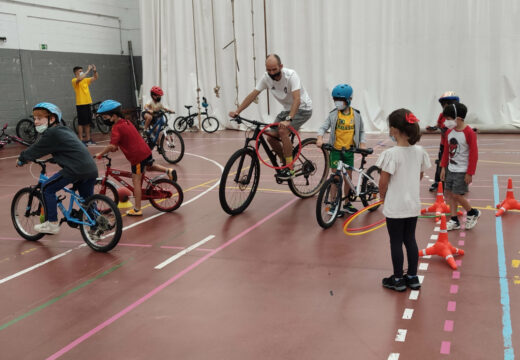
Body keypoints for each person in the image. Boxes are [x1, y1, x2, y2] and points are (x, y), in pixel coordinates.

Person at [16, 102, 98, 234]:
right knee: (86, 200)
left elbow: (36, 149)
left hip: (75, 169)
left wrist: (22, 159)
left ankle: (52, 223)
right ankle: (96, 227)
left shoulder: (52, 133)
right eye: (34, 119)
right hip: (90, 169)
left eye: (39, 118)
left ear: (52, 119)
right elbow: (69, 149)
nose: (35, 122)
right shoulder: (64, 130)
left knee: (47, 188)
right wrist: (55, 158)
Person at [229, 54, 312, 179]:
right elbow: (253, 95)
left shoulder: (291, 76)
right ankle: (284, 161)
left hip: (302, 109)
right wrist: (237, 111)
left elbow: (297, 99)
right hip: (286, 110)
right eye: (269, 70)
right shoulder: (266, 78)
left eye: (274, 69)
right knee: (270, 137)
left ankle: (290, 168)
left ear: (281, 66)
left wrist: (289, 119)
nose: (271, 73)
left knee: (283, 130)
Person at [376, 109, 431, 292]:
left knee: (395, 241)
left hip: (396, 206)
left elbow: (383, 182)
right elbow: (420, 175)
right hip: (412, 205)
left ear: (394, 130)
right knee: (410, 239)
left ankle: (398, 279)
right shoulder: (420, 152)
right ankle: (413, 277)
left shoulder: (391, 154)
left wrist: (382, 197)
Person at [95, 100, 177, 216]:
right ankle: (168, 170)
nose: (104, 119)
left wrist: (100, 153)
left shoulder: (116, 128)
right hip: (145, 151)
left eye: (105, 116)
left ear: (113, 115)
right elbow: (124, 140)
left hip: (137, 156)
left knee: (136, 181)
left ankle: (137, 209)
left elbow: (112, 146)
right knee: (149, 166)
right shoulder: (127, 122)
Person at [316, 84, 366, 215]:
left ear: (348, 99)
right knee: (336, 178)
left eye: (341, 100)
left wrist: (362, 143)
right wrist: (320, 138)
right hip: (336, 151)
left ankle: (347, 203)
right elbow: (322, 127)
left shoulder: (356, 115)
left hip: (349, 152)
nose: (337, 102)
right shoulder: (333, 115)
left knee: (348, 178)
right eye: (335, 99)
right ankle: (333, 204)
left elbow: (361, 131)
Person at [440, 102, 481, 230]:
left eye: (448, 119)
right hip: (451, 169)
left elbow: (474, 154)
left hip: (462, 170)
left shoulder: (469, 133)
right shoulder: (449, 133)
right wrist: (443, 167)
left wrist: (470, 173)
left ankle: (472, 212)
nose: (446, 122)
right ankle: (454, 220)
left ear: (458, 118)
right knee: (450, 194)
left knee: (457, 195)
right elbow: (446, 151)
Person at [426, 91, 460, 192]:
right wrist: (433, 128)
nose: (444, 106)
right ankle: (438, 182)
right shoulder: (442, 115)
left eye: (446, 103)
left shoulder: (457, 116)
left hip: (454, 144)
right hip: (443, 144)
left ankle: (458, 182)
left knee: (455, 163)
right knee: (440, 162)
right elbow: (438, 125)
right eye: (443, 104)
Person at [72, 65, 98, 146]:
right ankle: (80, 140)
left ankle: (88, 139)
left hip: (87, 103)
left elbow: (95, 77)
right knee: (81, 123)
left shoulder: (85, 80)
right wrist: (87, 70)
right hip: (80, 104)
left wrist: (94, 71)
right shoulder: (74, 80)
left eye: (82, 71)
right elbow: (80, 78)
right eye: (80, 71)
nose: (81, 72)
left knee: (87, 122)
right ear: (76, 73)